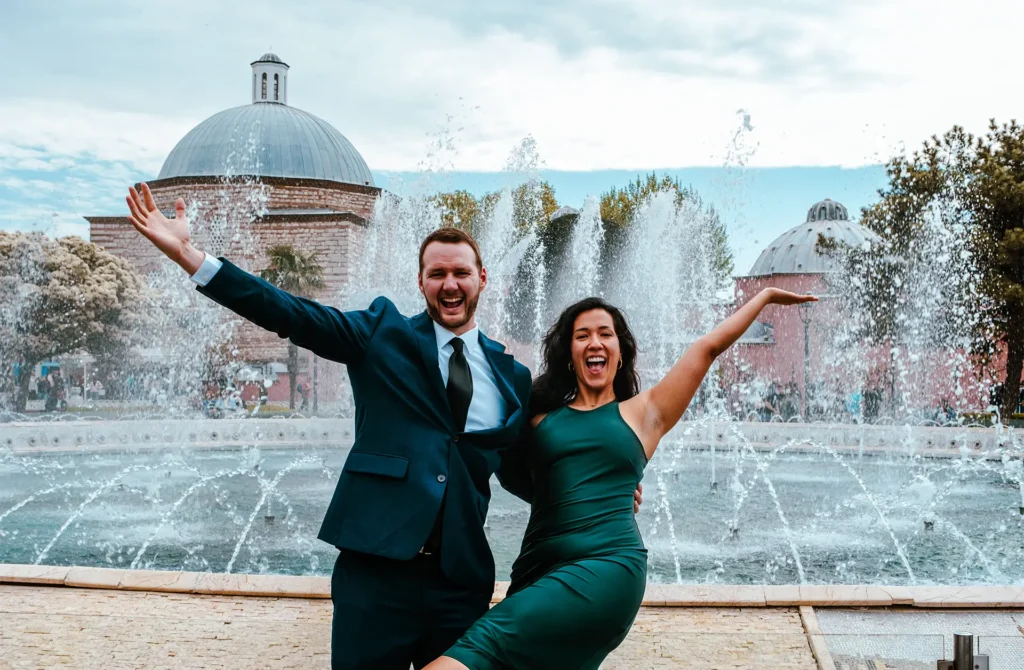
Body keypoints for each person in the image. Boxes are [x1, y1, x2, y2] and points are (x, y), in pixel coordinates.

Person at [124, 183, 641, 669]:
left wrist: (603, 489)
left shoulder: (512, 376)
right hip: (375, 573)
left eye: (461, 272)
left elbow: (519, 472)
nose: (450, 283)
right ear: (421, 282)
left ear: (483, 279)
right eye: (437, 273)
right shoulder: (380, 334)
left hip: (459, 581)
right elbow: (290, 313)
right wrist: (190, 256)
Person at [428, 289, 815, 670]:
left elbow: (707, 348)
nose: (594, 342)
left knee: (475, 650)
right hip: (536, 568)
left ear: (620, 351)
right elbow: (505, 468)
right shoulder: (537, 417)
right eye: (582, 335)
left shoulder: (645, 413)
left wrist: (762, 297)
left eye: (605, 333)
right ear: (569, 354)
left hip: (607, 566)